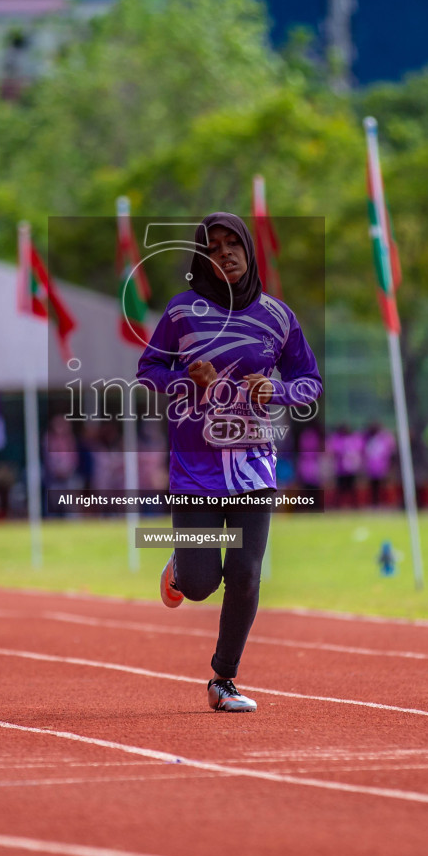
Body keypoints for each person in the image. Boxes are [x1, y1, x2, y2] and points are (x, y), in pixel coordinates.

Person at [139, 212, 322, 713]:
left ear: (247, 249)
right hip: (195, 468)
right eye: (214, 247)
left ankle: (224, 678)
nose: (226, 253)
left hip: (254, 466)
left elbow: (310, 381)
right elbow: (147, 369)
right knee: (200, 586)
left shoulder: (278, 317)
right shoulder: (182, 314)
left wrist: (278, 389)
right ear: (203, 259)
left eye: (233, 243)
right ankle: (182, 567)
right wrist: (184, 379)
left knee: (245, 573)